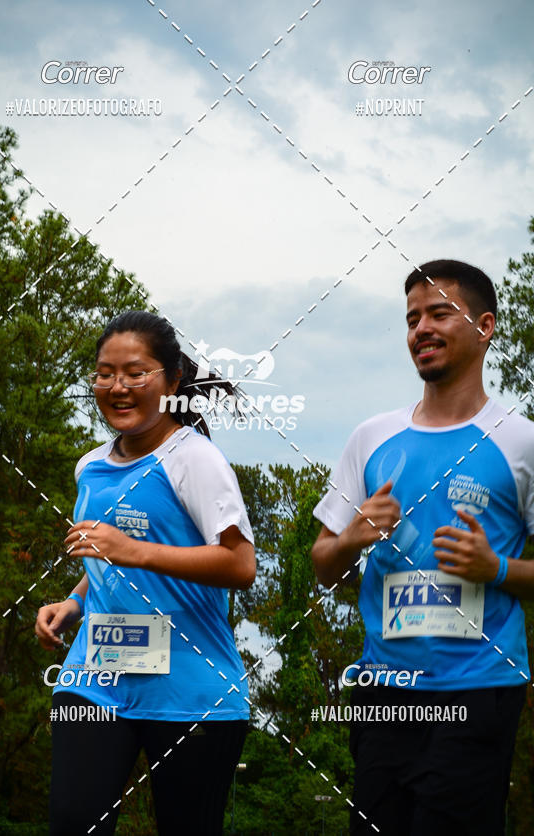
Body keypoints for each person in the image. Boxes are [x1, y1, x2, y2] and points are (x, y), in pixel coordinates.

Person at [311, 260, 534, 835]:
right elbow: (322, 567)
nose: (421, 329)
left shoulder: (520, 438)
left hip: (478, 691)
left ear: (484, 327)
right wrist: (354, 536)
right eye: (412, 319)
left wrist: (498, 567)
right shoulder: (371, 437)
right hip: (385, 696)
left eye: (439, 313)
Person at [34, 310, 256, 835]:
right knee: (73, 821)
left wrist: (132, 549)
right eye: (105, 374)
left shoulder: (193, 460)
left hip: (189, 691)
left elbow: (240, 564)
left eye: (136, 374)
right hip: (97, 678)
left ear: (172, 380)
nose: (118, 387)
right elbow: (106, 562)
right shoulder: (89, 466)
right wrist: (74, 601)